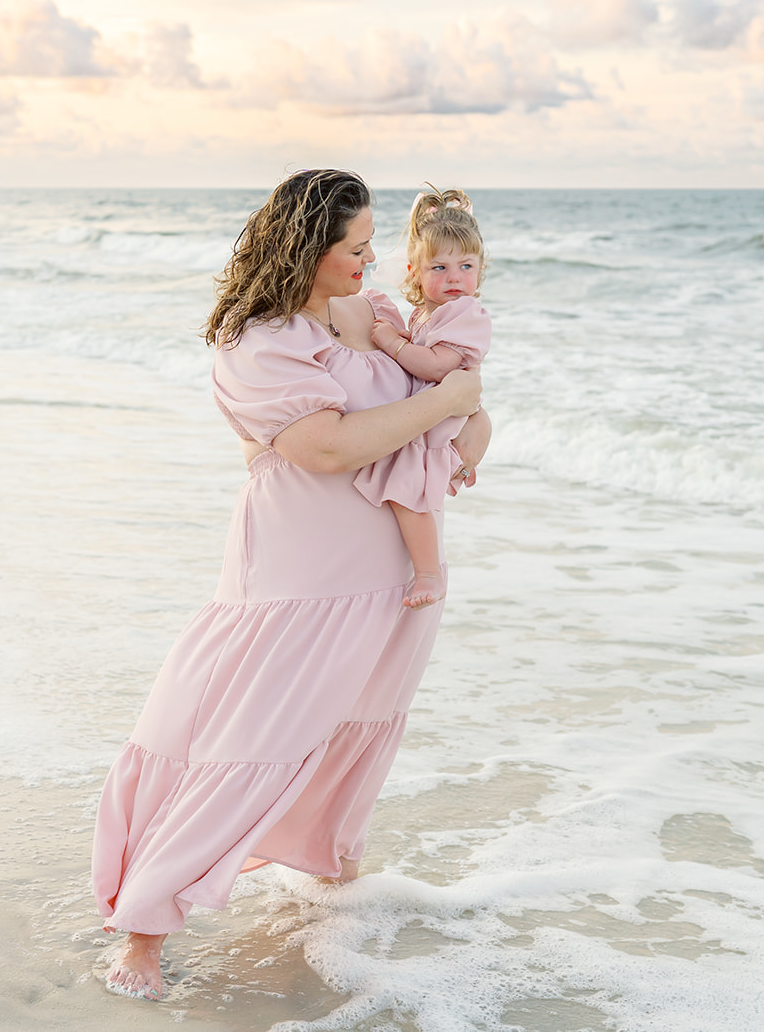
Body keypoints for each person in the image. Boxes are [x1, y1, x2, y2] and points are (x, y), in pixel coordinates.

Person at [90, 169, 488, 1002]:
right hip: (302, 575)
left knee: (355, 723)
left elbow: (437, 397)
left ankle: (333, 884)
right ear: (308, 249)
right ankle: (144, 932)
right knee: (251, 733)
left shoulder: (365, 314)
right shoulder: (259, 340)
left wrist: (466, 414)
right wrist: (449, 398)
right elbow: (329, 448)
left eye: (374, 243)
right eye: (353, 247)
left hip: (392, 575)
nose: (369, 260)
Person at [355, 187, 491, 610]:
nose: (454, 277)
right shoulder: (427, 313)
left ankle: (429, 571)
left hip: (439, 420)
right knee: (408, 491)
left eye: (466, 266)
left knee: (408, 494)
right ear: (414, 272)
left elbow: (436, 366)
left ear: (480, 271)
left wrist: (391, 343)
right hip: (429, 417)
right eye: (440, 266)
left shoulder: (467, 314)